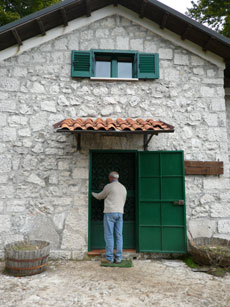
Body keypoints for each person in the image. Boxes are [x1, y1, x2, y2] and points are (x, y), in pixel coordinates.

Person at [92, 171, 127, 264]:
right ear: (117, 178)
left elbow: (100, 196)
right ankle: (119, 258)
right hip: (120, 212)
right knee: (119, 236)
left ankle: (109, 258)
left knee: (109, 235)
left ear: (111, 178)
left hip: (110, 212)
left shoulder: (109, 186)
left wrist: (92, 194)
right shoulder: (123, 188)